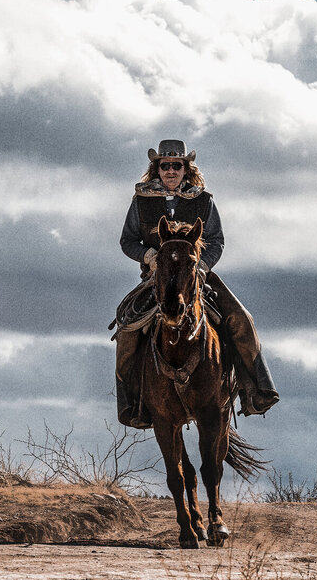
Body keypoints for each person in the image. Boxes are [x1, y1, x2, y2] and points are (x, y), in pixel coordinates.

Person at [114, 139, 279, 428]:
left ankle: (255, 390)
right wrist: (148, 255)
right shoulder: (140, 201)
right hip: (155, 277)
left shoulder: (204, 200)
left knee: (241, 319)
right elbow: (127, 240)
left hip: (198, 276)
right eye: (165, 166)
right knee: (127, 329)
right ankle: (133, 404)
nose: (170, 171)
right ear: (157, 169)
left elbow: (217, 241)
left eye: (176, 166)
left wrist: (201, 267)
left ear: (186, 169)